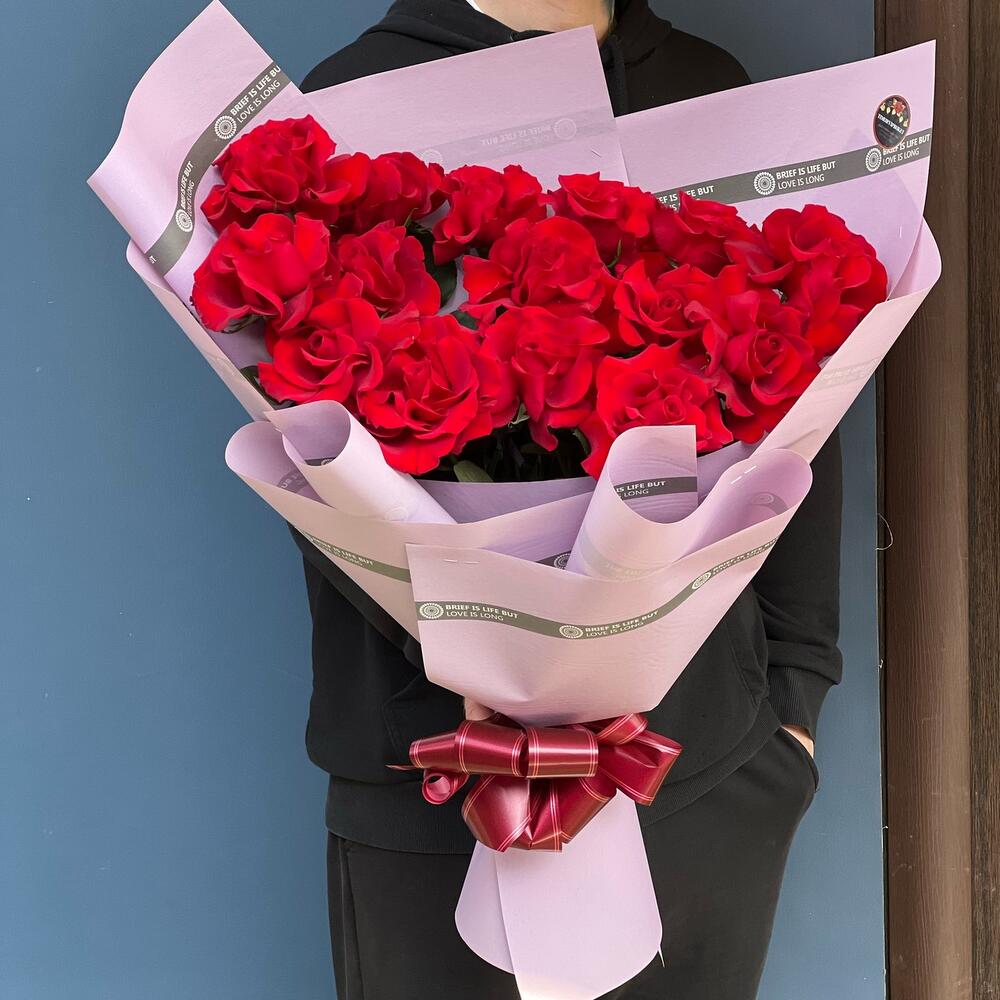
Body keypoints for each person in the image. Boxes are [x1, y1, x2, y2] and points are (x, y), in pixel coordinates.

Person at [297, 2, 842, 997]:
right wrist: (480, 652)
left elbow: (805, 411)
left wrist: (793, 708)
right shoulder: (345, 104)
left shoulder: (711, 85)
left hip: (703, 778)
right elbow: (313, 452)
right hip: (434, 786)